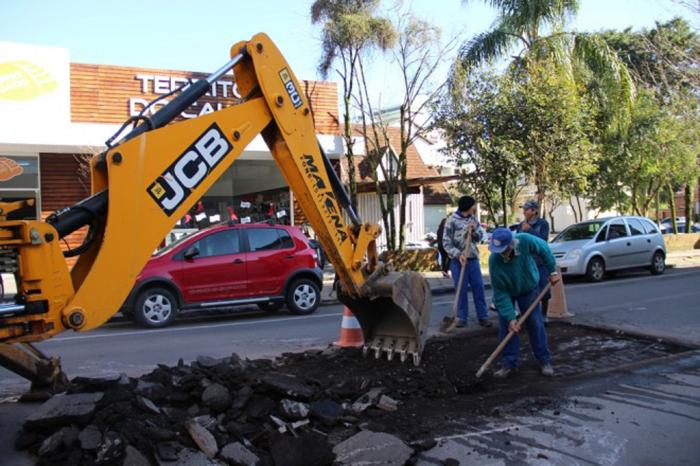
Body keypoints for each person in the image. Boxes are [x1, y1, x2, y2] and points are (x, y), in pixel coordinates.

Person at [488, 227, 559, 378]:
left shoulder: (525, 241)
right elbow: (500, 293)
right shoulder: (494, 261)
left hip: (528, 287)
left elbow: (544, 249)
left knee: (535, 323)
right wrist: (511, 317)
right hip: (507, 291)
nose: (501, 253)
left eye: (503, 249)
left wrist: (552, 271)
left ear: (511, 244)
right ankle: (508, 363)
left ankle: (544, 360)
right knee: (507, 326)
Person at [442, 195, 491, 328]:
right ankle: (461, 317)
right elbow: (446, 243)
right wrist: (458, 255)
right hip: (458, 262)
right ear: (468, 206)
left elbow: (480, 237)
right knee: (461, 289)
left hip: (473, 259)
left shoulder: (473, 219)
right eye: (473, 205)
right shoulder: (451, 221)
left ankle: (483, 316)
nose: (475, 207)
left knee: (478, 287)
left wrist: (474, 230)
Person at [515, 200, 552, 321]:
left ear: (534, 211)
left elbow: (543, 241)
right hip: (526, 263)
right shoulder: (521, 225)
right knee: (528, 290)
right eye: (524, 209)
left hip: (540, 262)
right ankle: (530, 315)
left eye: (527, 209)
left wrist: (530, 230)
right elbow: (517, 241)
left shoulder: (543, 224)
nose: (524, 212)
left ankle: (544, 315)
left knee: (544, 291)